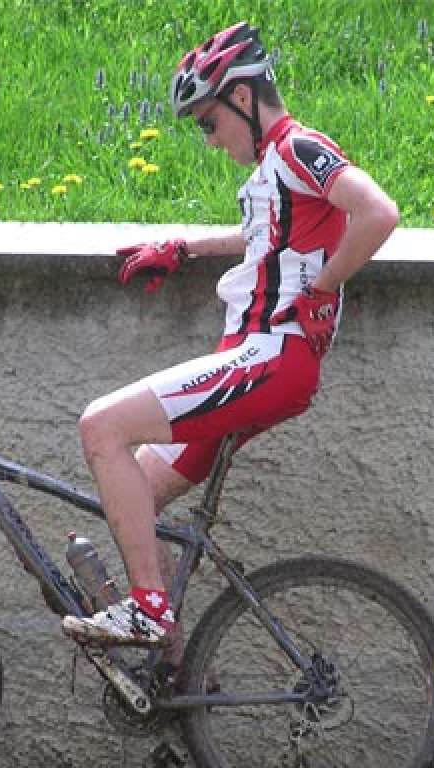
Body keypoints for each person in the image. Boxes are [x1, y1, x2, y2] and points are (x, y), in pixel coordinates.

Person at [62, 21, 400, 648]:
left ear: (243, 99)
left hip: (270, 358)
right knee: (139, 488)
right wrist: (183, 246)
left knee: (100, 426)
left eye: (208, 122)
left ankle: (151, 614)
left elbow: (379, 212)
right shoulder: (278, 167)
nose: (209, 139)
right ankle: (172, 677)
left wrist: (322, 290)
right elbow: (269, 236)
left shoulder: (298, 148)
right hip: (253, 358)